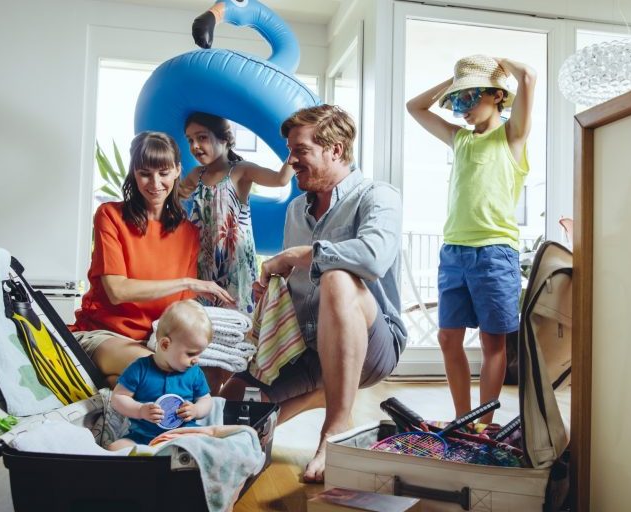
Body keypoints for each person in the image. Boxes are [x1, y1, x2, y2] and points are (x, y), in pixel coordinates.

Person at [220, 105, 407, 483]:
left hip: (372, 346)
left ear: (335, 150)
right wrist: (271, 294)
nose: (290, 160)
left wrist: (298, 255)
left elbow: (372, 258)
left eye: (300, 150)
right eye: (290, 150)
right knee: (232, 406)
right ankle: (321, 395)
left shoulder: (377, 196)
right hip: (305, 348)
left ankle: (335, 428)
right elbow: (296, 284)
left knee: (338, 278)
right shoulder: (295, 211)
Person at [406, 55, 536, 423]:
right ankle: (463, 420)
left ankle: (483, 425)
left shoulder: (511, 137)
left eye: (469, 98)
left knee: (493, 343)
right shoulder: (459, 139)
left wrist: (501, 64)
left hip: (494, 253)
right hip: (454, 253)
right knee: (448, 338)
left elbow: (528, 76)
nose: (461, 108)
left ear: (497, 95)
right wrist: (453, 83)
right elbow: (414, 107)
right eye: (457, 100)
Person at [69, 131, 233, 387]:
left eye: (163, 172)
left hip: (154, 343)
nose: (155, 183)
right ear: (134, 173)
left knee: (201, 377)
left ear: (177, 170)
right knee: (157, 372)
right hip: (103, 336)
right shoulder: (110, 215)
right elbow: (117, 291)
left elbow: (179, 309)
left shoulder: (188, 233)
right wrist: (188, 282)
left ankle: (114, 386)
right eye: (145, 173)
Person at [180, 112, 294, 316]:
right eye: (190, 140)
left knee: (237, 319)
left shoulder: (241, 171)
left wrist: (296, 148)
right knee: (201, 320)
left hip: (235, 266)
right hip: (203, 265)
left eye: (202, 137)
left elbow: (280, 179)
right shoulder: (196, 175)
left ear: (224, 139)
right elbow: (173, 197)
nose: (195, 145)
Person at [107, 300, 213, 450]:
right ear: (165, 344)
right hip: (144, 438)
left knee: (209, 442)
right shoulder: (140, 369)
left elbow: (206, 400)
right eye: (191, 354)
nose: (196, 360)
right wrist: (140, 410)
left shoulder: (194, 372)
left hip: (184, 435)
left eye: (199, 354)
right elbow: (118, 397)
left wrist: (196, 410)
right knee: (115, 448)